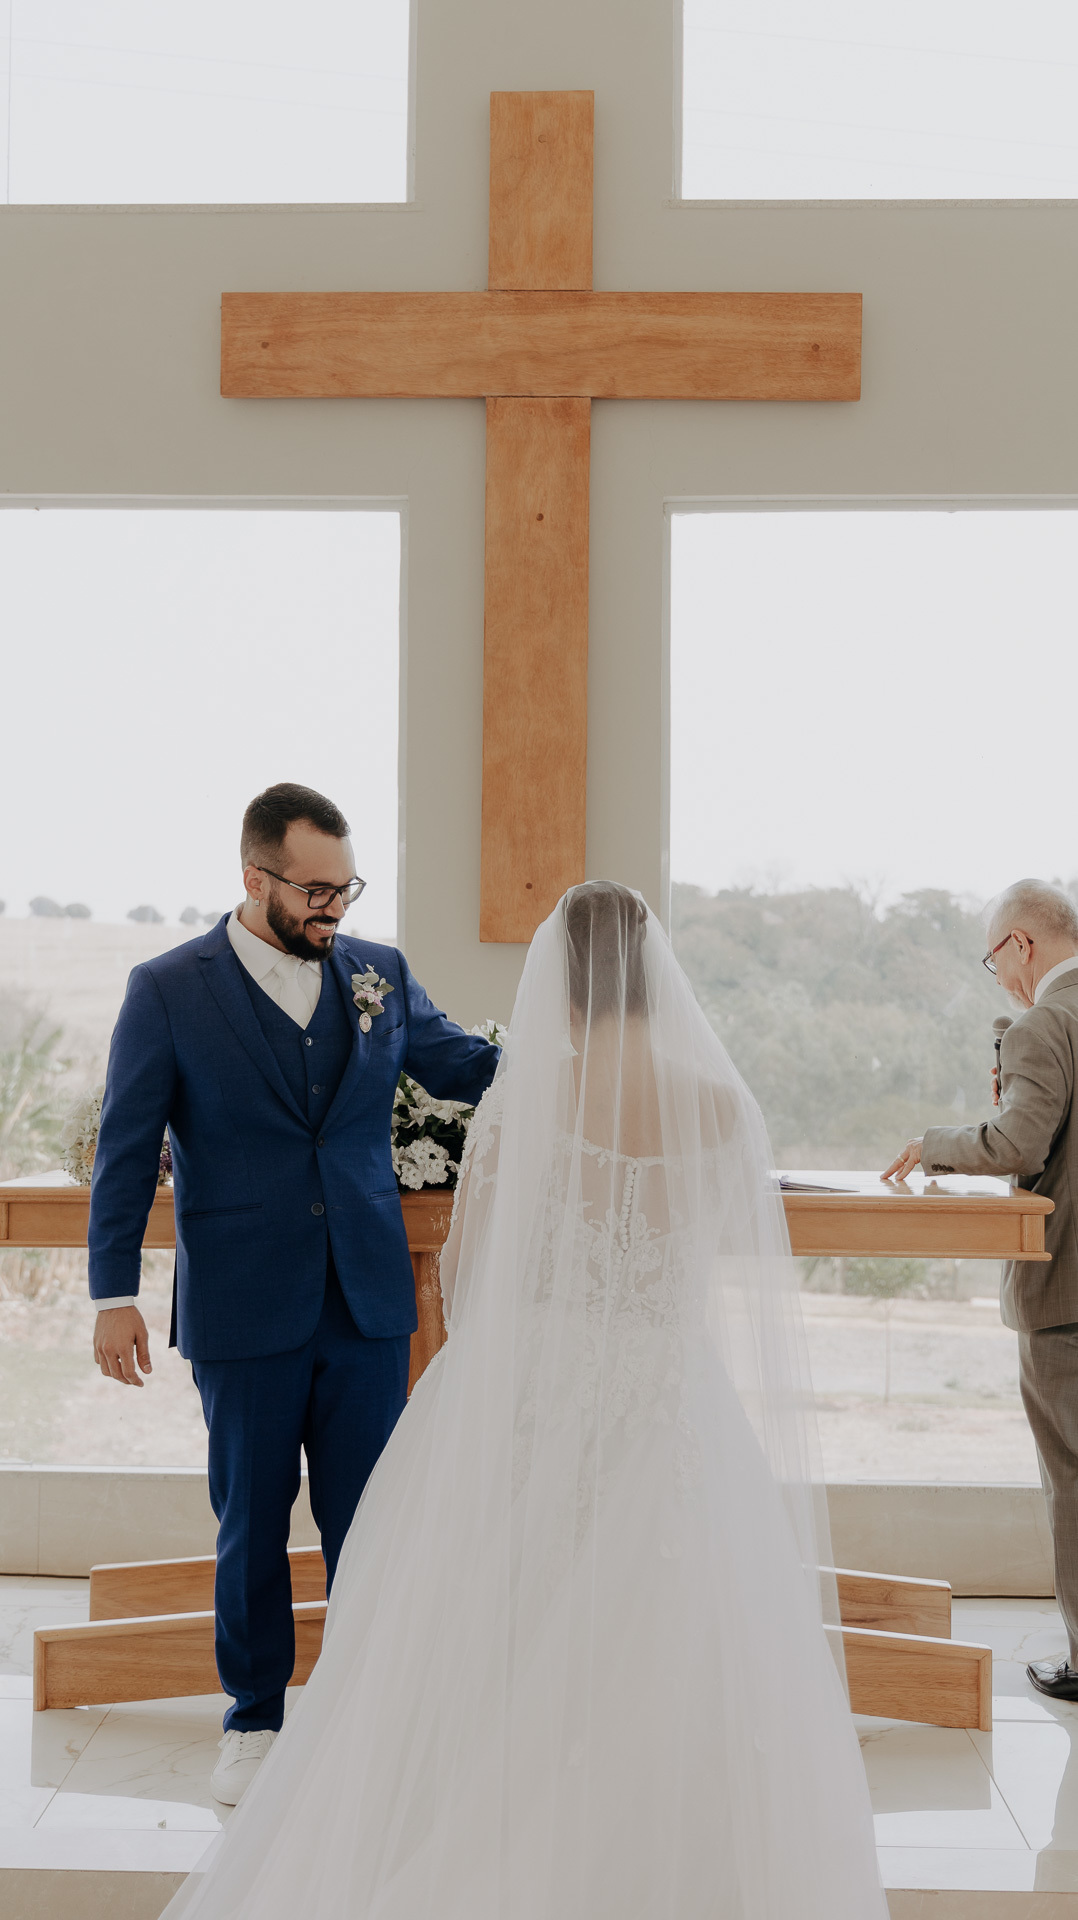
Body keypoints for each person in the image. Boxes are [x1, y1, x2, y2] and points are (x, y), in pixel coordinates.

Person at [161, 881, 886, 1920]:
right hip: (667, 1387)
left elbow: (476, 1270)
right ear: (651, 975)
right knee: (675, 1623)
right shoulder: (720, 1105)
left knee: (497, 1621)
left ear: (568, 988)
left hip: (539, 1382)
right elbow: (726, 1247)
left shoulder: (534, 1098)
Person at [88, 782, 498, 1803]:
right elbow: (129, 1151)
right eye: (313, 891)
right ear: (253, 877)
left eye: (344, 888)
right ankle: (254, 1718)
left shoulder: (379, 974)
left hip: (364, 1299)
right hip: (242, 1300)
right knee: (252, 1520)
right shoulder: (169, 988)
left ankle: (369, 1711)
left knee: (374, 1518)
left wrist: (599, 1065)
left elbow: (468, 1068)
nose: (334, 909)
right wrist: (112, 1295)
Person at [885, 877, 1078, 1702]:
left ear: (1022, 945)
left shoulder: (1046, 1023)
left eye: (993, 957)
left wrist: (933, 1145)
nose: (997, 974)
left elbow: (1017, 1140)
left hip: (1068, 1297)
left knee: (1071, 1476)